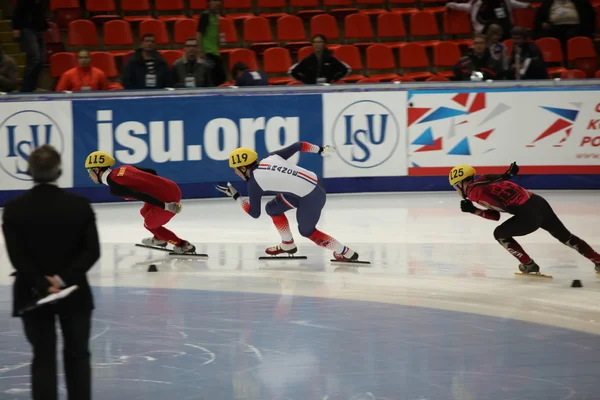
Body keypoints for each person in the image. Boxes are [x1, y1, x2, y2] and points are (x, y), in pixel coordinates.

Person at [2, 145, 100, 400]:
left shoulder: (14, 208)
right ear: (60, 170)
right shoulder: (79, 205)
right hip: (74, 291)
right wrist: (62, 279)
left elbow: (18, 257)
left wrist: (42, 283)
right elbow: (92, 251)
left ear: (28, 171)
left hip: (32, 293)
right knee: (78, 355)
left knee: (43, 355)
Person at [215, 142, 360, 262]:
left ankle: (345, 252)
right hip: (315, 183)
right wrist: (319, 150)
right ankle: (287, 244)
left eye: (236, 169)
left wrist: (236, 196)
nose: (235, 173)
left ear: (243, 167)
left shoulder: (254, 183)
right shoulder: (271, 157)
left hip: (310, 197)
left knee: (307, 231)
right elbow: (299, 145)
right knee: (272, 208)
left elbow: (254, 213)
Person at [449, 162, 600, 274]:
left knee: (499, 234)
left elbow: (487, 192)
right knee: (566, 237)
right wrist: (474, 210)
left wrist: (505, 176)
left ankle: (528, 265)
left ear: (461, 183)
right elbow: (495, 215)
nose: (456, 191)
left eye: (455, 187)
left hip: (528, 216)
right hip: (538, 203)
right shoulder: (482, 184)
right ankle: (598, 260)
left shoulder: (474, 191)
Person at [84, 151, 196, 254]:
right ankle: (159, 238)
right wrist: (157, 188)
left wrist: (165, 206)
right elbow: (152, 172)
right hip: (171, 187)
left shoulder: (115, 187)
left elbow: (139, 195)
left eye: (89, 171)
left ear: (97, 170)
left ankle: (183, 245)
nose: (89, 175)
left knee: (149, 224)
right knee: (144, 211)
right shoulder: (124, 168)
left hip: (167, 199)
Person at [11, 0, 49, 92]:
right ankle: (25, 87)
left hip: (38, 29)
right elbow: (18, 10)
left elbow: (42, 11)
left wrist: (44, 25)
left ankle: (32, 86)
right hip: (27, 28)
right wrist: (16, 27)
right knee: (34, 58)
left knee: (41, 60)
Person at [196, 0, 226, 86]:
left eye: (218, 1)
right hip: (207, 52)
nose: (217, 3)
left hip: (215, 51)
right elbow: (199, 33)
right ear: (209, 3)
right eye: (215, 1)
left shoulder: (216, 16)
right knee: (213, 79)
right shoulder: (205, 16)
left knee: (221, 78)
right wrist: (200, 50)